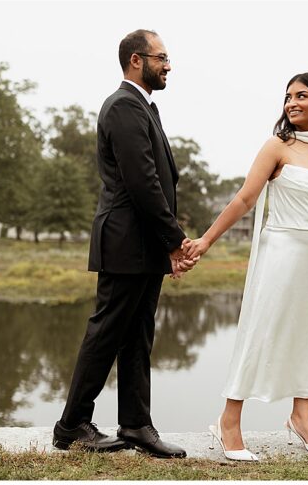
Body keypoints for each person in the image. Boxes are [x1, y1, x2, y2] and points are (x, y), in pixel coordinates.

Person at [181, 72, 308, 461]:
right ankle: (228, 423)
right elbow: (244, 200)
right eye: (288, 96)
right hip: (280, 251)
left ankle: (301, 419)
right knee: (260, 332)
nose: (291, 102)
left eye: (302, 96)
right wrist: (205, 241)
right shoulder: (277, 146)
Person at [54, 29, 196, 458]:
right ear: (137, 60)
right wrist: (176, 240)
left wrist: (165, 242)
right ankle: (71, 425)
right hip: (125, 242)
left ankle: (136, 425)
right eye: (162, 57)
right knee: (106, 333)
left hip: (143, 245)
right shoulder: (123, 107)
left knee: (138, 336)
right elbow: (143, 183)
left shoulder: (143, 107)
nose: (168, 65)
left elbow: (157, 181)